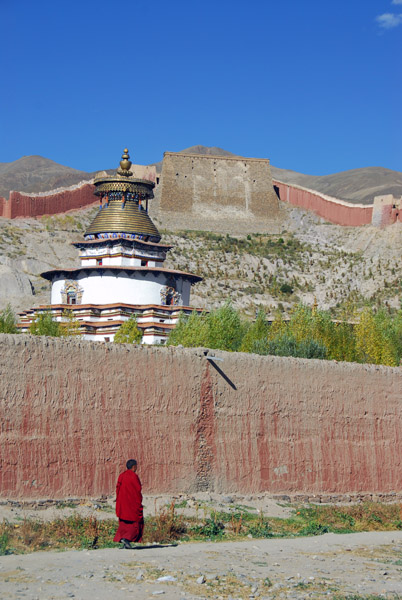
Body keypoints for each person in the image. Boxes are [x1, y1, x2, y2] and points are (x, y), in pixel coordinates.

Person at [113, 459, 144, 549]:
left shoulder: (121, 476)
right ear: (133, 467)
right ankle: (126, 539)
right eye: (136, 466)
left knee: (123, 523)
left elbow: (118, 489)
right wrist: (139, 502)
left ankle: (124, 541)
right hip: (131, 505)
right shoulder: (134, 476)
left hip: (122, 504)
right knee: (135, 522)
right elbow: (137, 491)